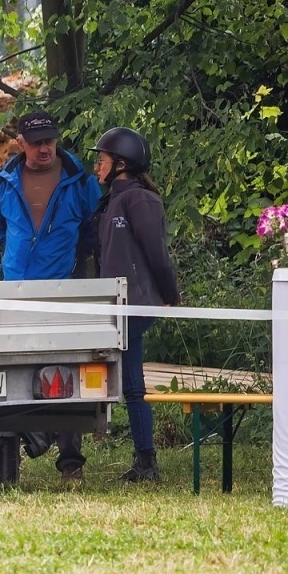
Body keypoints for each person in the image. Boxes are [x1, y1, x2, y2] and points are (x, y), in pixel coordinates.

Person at [0, 110, 102, 479]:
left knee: (65, 370)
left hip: (63, 288)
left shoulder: (78, 178)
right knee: (14, 367)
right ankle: (21, 446)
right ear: (20, 143)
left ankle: (70, 462)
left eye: (49, 141)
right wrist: (17, 262)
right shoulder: (5, 181)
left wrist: (69, 261)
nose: (44, 149)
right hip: (15, 289)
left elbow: (93, 225)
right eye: (36, 143)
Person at [91, 126, 181, 482]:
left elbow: (157, 255)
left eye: (102, 160)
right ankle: (145, 460)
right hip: (119, 303)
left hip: (138, 302)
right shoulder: (113, 199)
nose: (98, 167)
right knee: (130, 382)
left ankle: (147, 461)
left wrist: (170, 295)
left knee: (132, 383)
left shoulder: (140, 199)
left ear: (122, 164)